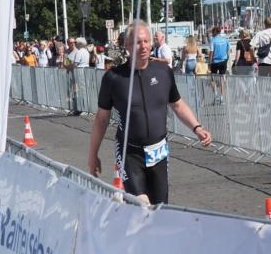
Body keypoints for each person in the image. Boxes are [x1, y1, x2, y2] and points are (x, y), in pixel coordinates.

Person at [88, 20, 211, 205]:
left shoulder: (163, 71)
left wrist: (197, 127)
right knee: (142, 205)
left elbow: (177, 104)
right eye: (137, 42)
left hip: (159, 152)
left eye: (146, 41)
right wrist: (92, 155)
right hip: (130, 152)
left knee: (160, 209)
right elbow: (101, 119)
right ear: (128, 46)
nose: (143, 46)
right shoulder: (113, 78)